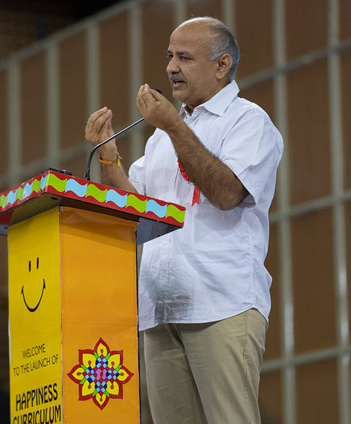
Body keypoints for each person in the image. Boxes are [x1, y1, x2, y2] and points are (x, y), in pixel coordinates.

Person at [84, 17, 283, 423]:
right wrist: (108, 154)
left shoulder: (248, 122)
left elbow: (227, 193)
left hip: (221, 304)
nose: (172, 67)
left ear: (222, 65)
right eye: (170, 57)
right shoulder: (161, 138)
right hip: (160, 309)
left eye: (185, 58)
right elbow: (135, 205)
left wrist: (173, 125)